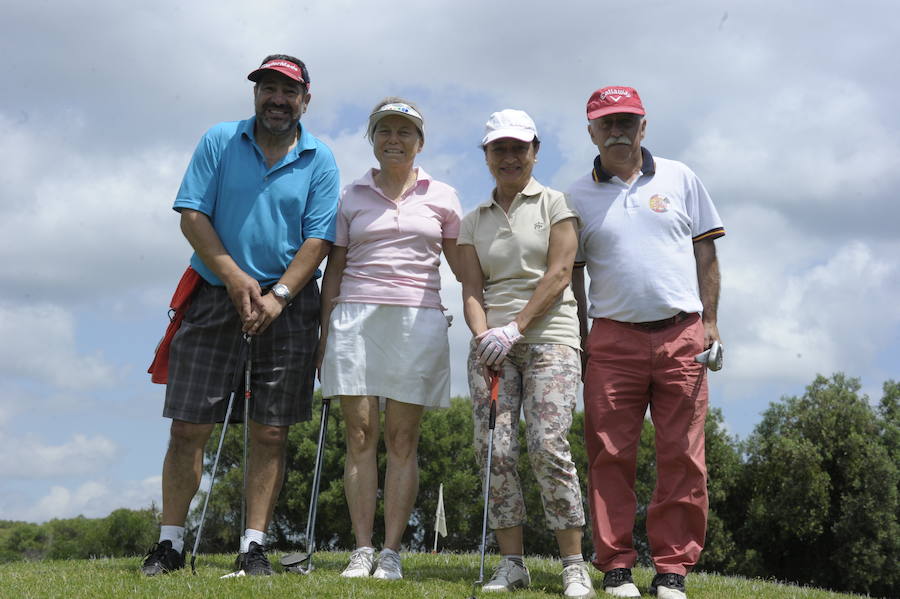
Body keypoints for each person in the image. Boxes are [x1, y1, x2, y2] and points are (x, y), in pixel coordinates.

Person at [140, 55, 340, 577]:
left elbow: (319, 239)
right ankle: (170, 542)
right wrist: (233, 276)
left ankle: (253, 545)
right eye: (267, 88)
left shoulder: (321, 159)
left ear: (306, 99)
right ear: (256, 94)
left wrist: (278, 297)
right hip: (212, 294)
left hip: (289, 306)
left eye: (288, 91)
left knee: (272, 430)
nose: (277, 99)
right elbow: (192, 214)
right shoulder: (219, 140)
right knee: (189, 426)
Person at [567, 86, 725, 599]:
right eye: (606, 123)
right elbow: (572, 275)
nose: (618, 131)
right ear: (591, 131)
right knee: (609, 454)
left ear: (644, 125)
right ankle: (616, 566)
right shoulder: (574, 196)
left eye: (627, 122)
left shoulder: (681, 177)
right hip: (612, 338)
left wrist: (712, 324)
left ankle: (671, 570)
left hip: (683, 332)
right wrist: (583, 334)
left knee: (683, 455)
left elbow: (706, 257)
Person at [318, 97, 462, 581]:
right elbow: (334, 268)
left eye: (405, 132)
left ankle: (391, 552)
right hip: (355, 317)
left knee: (403, 439)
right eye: (385, 131)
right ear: (373, 140)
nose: (394, 139)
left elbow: (465, 267)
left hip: (418, 318)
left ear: (419, 142)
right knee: (359, 435)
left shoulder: (442, 196)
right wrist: (325, 333)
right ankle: (362, 548)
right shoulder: (351, 195)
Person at [458, 109, 595, 599]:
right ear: (487, 156)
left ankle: (574, 564)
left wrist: (514, 328)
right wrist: (483, 338)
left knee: (546, 445)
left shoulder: (556, 204)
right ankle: (511, 563)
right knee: (496, 450)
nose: (510, 157)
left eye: (519, 148)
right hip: (494, 346)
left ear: (535, 152)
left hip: (550, 338)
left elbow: (559, 274)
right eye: (500, 149)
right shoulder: (472, 221)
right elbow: (472, 287)